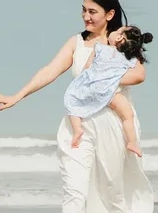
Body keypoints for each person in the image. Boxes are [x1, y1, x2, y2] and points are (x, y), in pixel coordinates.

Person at [0, 0, 154, 213]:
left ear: (110, 14)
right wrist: (17, 95)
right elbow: (49, 71)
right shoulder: (76, 43)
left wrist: (104, 80)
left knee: (113, 187)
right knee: (73, 190)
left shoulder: (123, 40)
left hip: (113, 125)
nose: (86, 17)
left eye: (92, 12)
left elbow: (140, 73)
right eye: (83, 10)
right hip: (77, 125)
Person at [64, 25, 153, 157]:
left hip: (93, 87)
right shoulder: (128, 59)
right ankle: (132, 142)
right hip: (111, 90)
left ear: (119, 37)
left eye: (116, 31)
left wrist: (83, 82)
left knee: (74, 106)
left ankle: (77, 130)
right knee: (127, 115)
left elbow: (87, 67)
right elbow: (138, 74)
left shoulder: (100, 48)